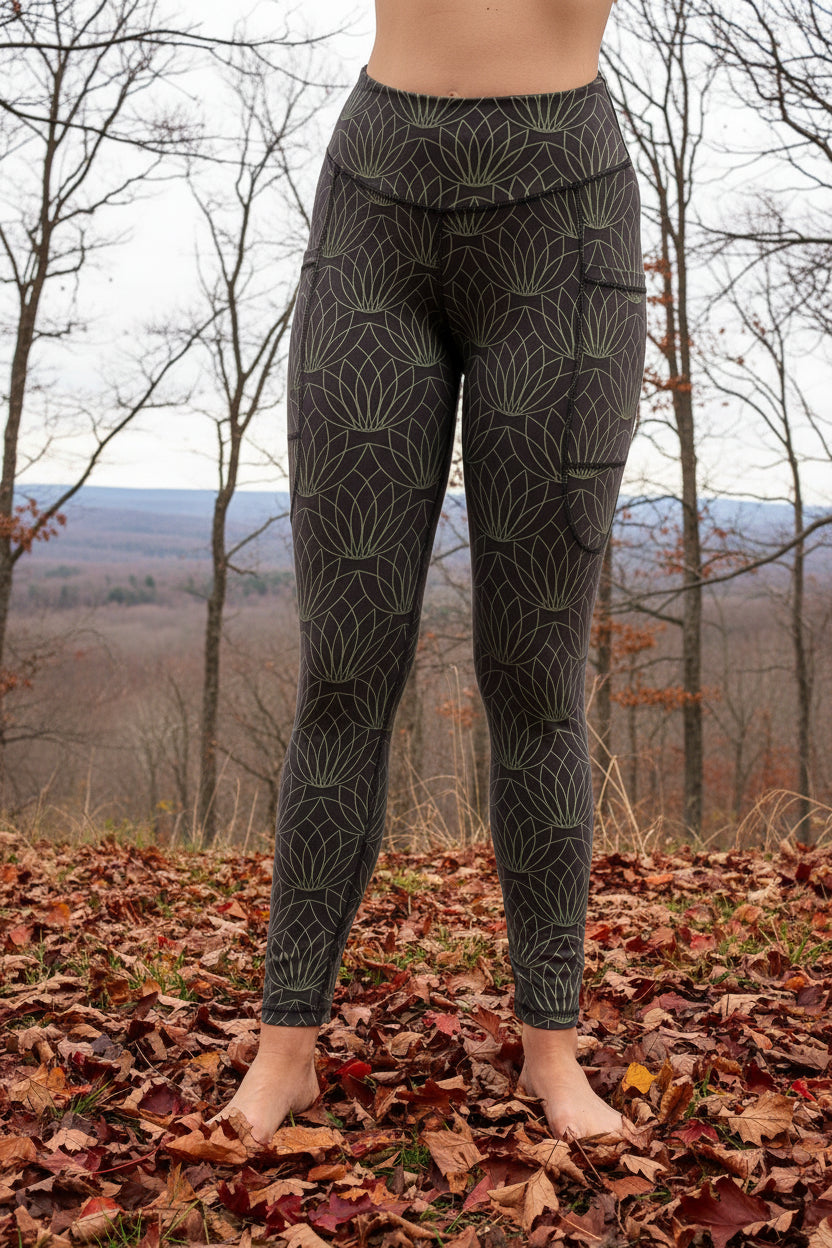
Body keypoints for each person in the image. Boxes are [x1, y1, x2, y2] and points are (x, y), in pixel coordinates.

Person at [208, 0, 645, 1147]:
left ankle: (551, 1049)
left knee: (534, 677)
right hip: (373, 202)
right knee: (344, 671)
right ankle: (285, 1050)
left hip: (567, 218)